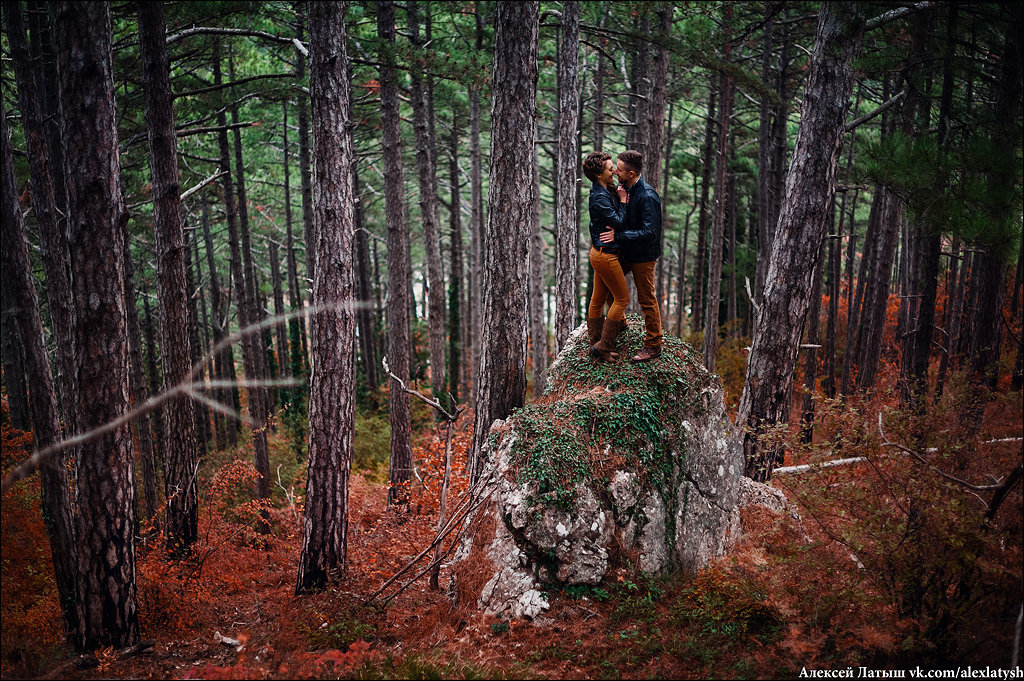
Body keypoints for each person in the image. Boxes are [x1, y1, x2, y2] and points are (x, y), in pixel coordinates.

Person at [600, 149, 662, 362]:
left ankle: (653, 346)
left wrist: (619, 235)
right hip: (627, 250)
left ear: (633, 173)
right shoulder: (625, 188)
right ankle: (621, 325)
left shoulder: (647, 195)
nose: (615, 171)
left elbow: (650, 232)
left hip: (644, 256)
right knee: (609, 285)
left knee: (647, 299)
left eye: (619, 169)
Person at [582, 151, 629, 362]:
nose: (614, 172)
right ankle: (604, 345)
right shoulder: (600, 197)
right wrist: (623, 201)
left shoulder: (602, 189)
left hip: (599, 252)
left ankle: (595, 343)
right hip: (605, 255)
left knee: (598, 298)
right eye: (611, 170)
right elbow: (619, 222)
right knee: (622, 299)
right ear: (600, 174)